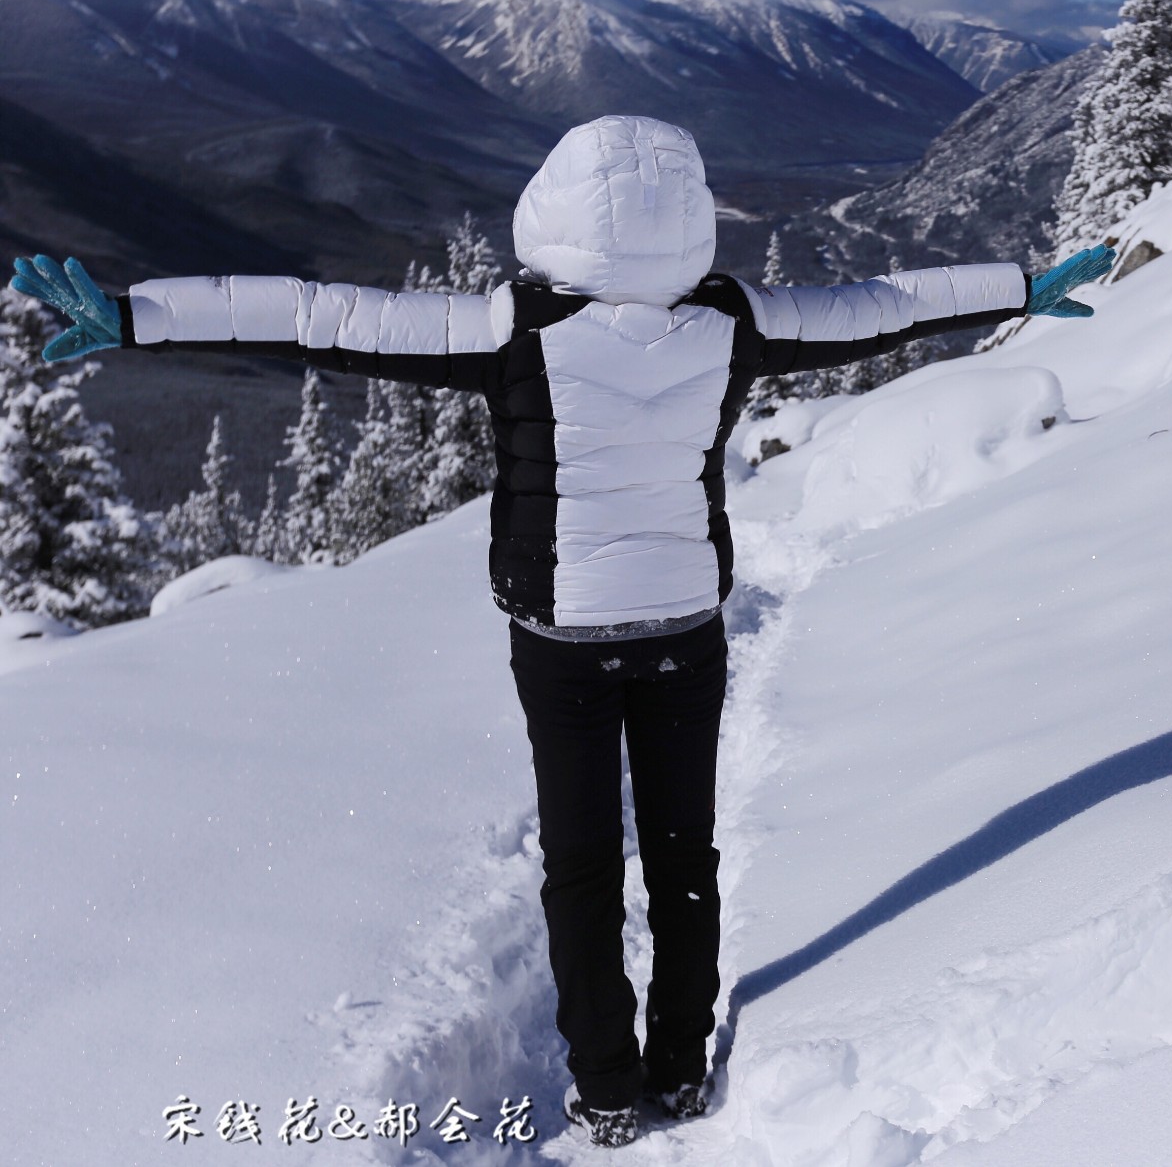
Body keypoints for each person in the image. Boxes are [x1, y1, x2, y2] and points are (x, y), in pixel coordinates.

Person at [9, 114, 1114, 1149]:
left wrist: (140, 316)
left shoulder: (509, 329)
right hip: (686, 626)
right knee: (684, 852)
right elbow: (887, 304)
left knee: (581, 865)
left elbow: (314, 314)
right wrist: (1018, 284)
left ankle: (605, 1086)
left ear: (554, 214)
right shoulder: (738, 322)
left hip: (563, 640)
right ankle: (680, 1064)